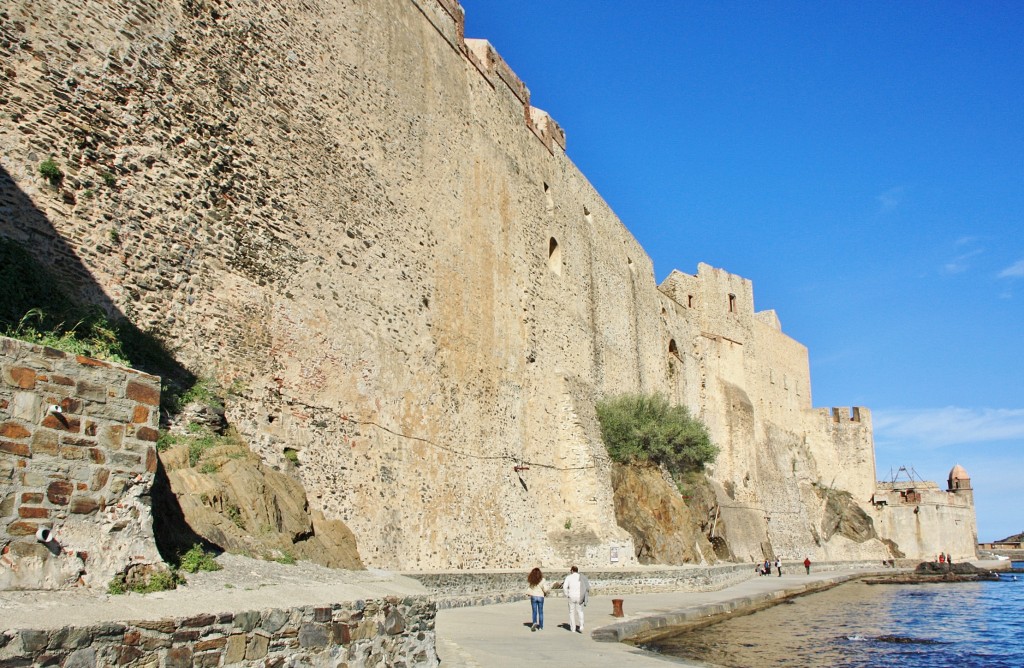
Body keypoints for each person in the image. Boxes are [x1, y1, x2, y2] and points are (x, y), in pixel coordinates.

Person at [563, 565, 589, 633]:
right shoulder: (581, 577)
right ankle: (581, 626)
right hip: (579, 596)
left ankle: (573, 628)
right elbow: (586, 587)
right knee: (580, 611)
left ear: (572, 570)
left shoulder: (568, 577)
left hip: (571, 596)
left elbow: (564, 587)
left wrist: (567, 594)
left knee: (571, 612)